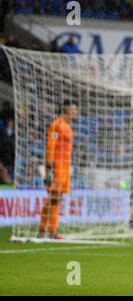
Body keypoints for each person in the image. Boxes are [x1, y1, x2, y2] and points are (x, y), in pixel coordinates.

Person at [38, 100, 77, 239]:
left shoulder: (67, 126)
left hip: (66, 167)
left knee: (58, 198)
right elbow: (50, 145)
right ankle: (42, 229)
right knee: (53, 197)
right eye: (73, 110)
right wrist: (49, 167)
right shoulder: (57, 125)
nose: (76, 113)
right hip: (57, 166)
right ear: (66, 110)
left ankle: (53, 231)